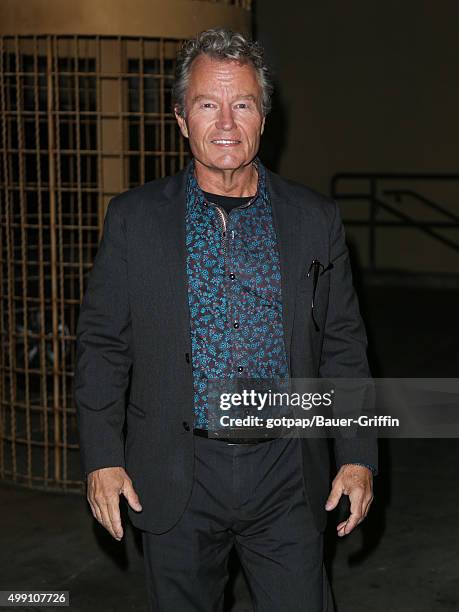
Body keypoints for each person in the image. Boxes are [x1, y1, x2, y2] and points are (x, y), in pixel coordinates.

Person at [74, 27, 377, 612]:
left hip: (288, 470)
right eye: (207, 105)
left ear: (264, 116)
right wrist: (103, 457)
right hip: (175, 471)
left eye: (242, 104)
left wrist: (358, 454)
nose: (225, 124)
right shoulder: (134, 221)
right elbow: (103, 345)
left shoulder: (315, 219)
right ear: (182, 118)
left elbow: (343, 345)